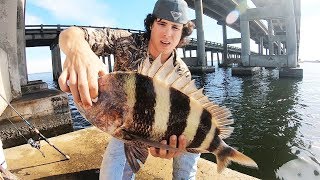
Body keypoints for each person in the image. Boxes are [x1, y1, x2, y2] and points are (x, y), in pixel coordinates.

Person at [58, 0, 200, 179]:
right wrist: (78, 51)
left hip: (164, 128)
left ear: (182, 33)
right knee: (111, 174)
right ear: (151, 24)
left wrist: (168, 144)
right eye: (162, 23)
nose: (168, 33)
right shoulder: (125, 41)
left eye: (175, 27)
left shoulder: (181, 73)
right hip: (125, 126)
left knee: (191, 145)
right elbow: (71, 34)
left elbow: (187, 116)